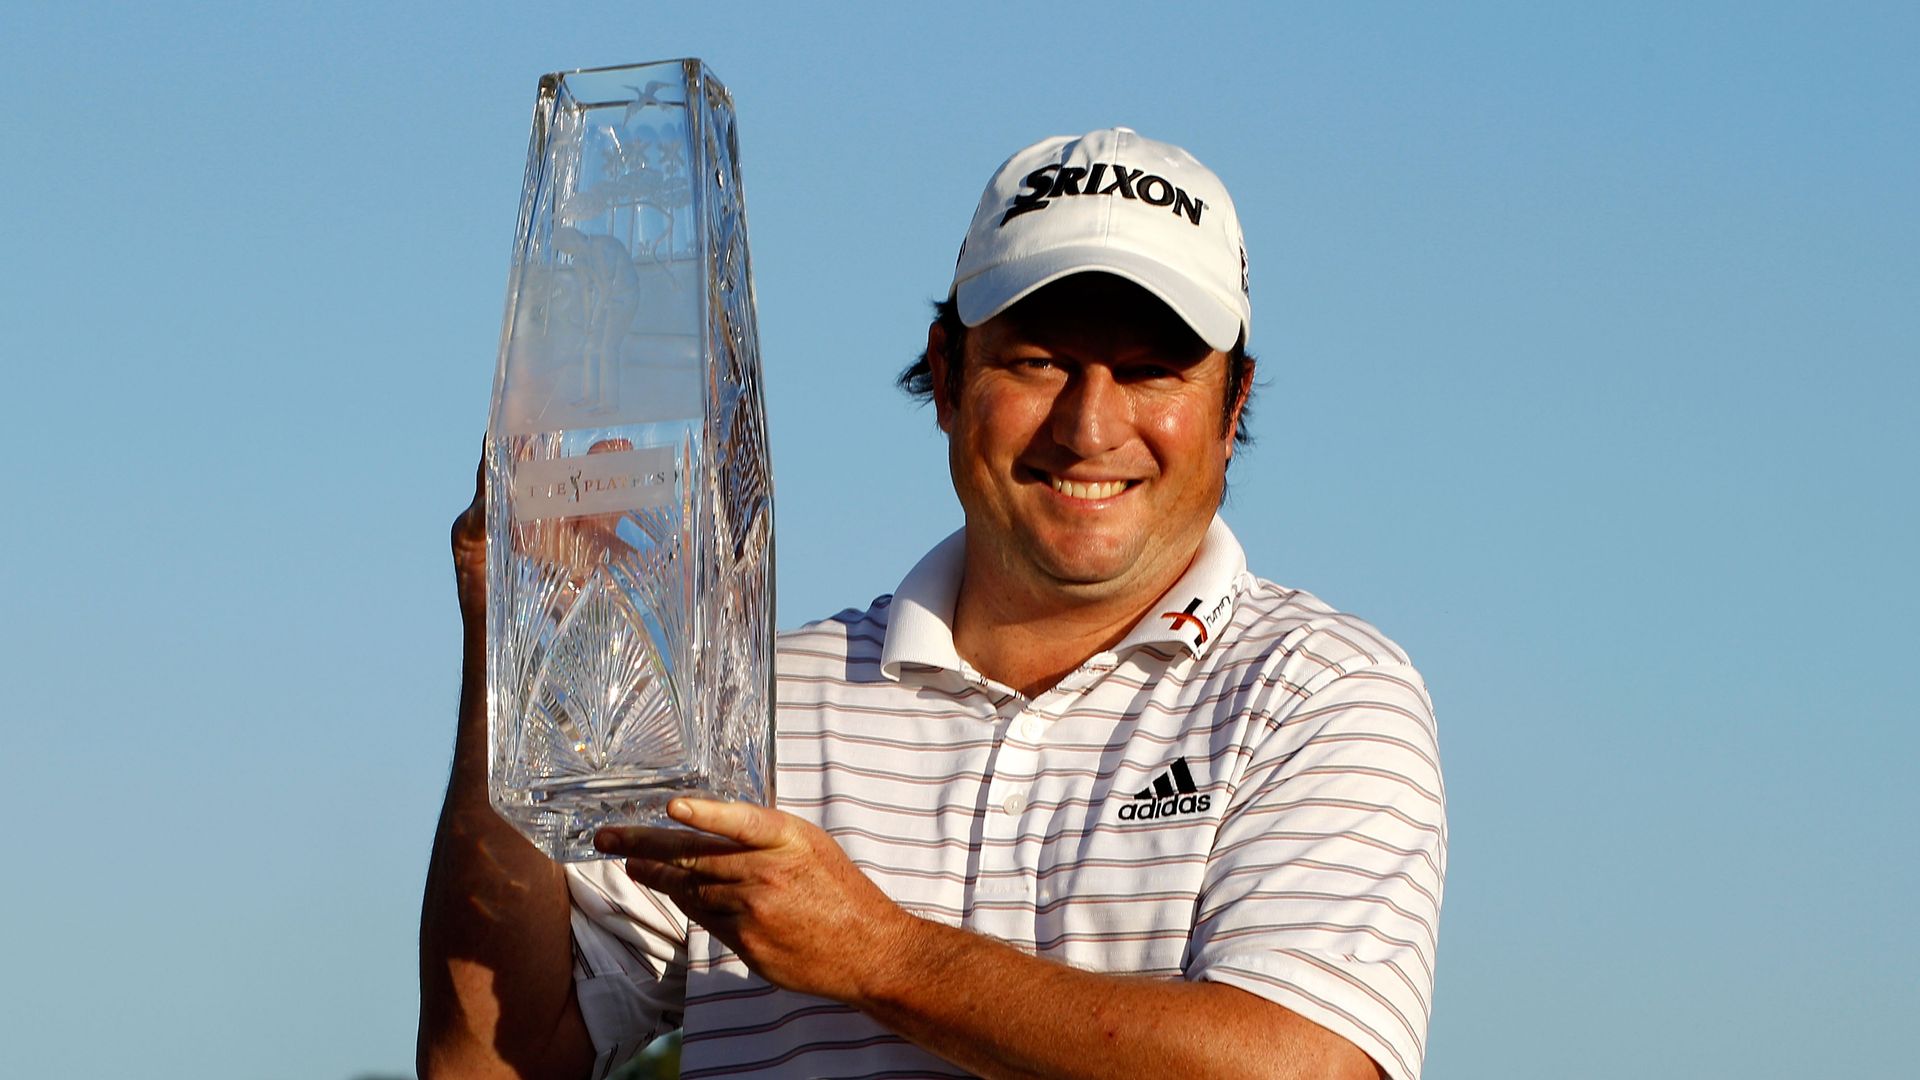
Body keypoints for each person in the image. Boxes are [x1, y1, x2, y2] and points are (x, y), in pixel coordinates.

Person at [419, 127, 1446, 1080]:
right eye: (1038, 361)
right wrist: (515, 641)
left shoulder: (1321, 691)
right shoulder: (757, 703)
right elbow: (487, 1063)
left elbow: (1306, 1066)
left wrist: (878, 954)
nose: (1090, 428)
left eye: (1150, 371)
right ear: (948, 375)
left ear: (1235, 406)